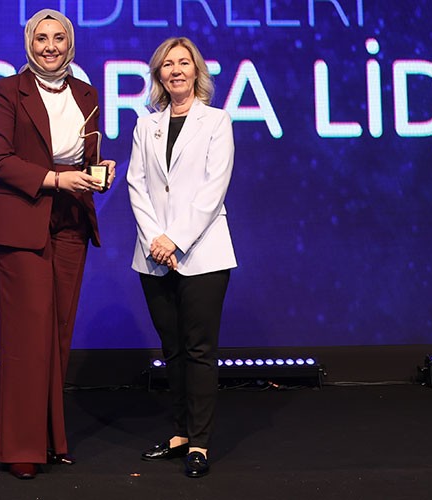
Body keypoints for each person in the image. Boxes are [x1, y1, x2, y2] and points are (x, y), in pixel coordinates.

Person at [0, 9, 116, 480]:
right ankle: (22, 446)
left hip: (72, 219)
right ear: (29, 43)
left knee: (57, 332)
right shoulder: (7, 90)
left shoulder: (87, 93)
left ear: (70, 44)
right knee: (27, 335)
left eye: (59, 38)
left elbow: (84, 155)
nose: (51, 46)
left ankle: (51, 439)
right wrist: (55, 178)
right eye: (41, 38)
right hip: (23, 219)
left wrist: (100, 169)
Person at [126, 37, 236, 478]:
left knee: (198, 351)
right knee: (171, 350)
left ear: (196, 71)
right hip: (153, 255)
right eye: (167, 64)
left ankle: (200, 443)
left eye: (183, 63)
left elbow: (213, 190)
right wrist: (156, 240)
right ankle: (179, 433)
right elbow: (136, 185)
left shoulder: (217, 121)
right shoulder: (145, 125)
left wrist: (175, 240)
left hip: (203, 253)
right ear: (159, 75)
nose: (175, 70)